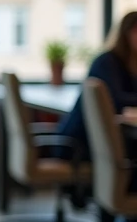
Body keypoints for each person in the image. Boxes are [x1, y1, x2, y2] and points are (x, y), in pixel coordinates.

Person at [57, 10, 137, 158]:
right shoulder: (107, 62)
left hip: (98, 142)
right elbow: (116, 100)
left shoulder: (130, 64)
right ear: (126, 34)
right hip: (82, 146)